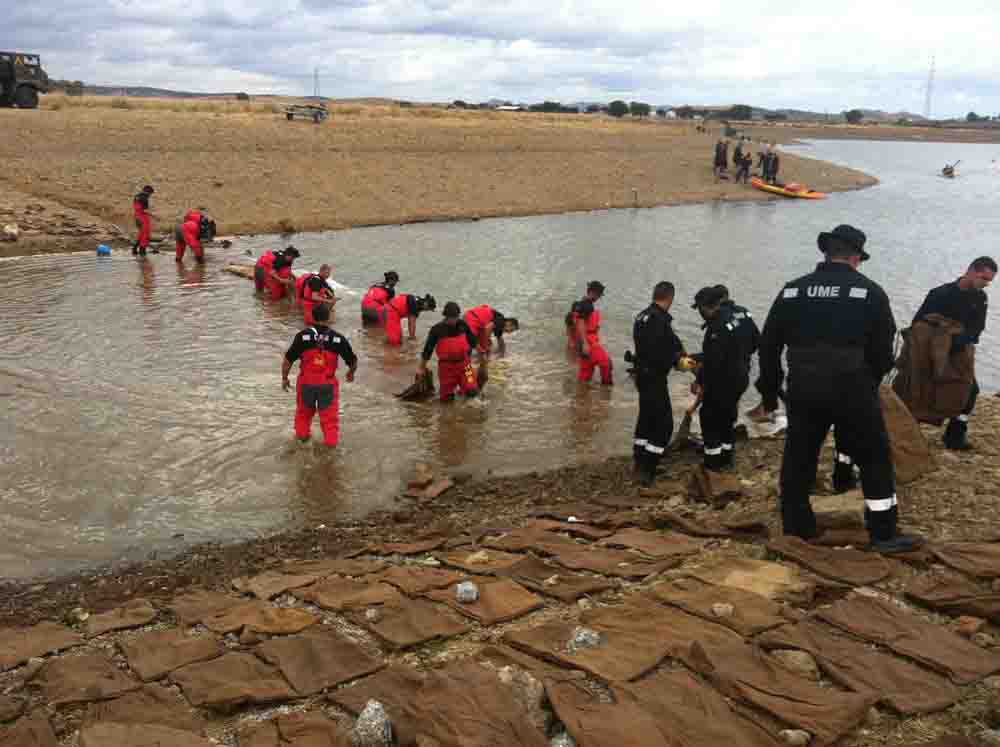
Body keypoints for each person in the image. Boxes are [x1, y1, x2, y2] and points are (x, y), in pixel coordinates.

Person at [756, 223, 923, 554]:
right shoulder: (869, 292)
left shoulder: (793, 290)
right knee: (874, 457)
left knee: (799, 456)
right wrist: (868, 381)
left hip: (803, 386)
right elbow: (884, 351)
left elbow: (769, 345)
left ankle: (797, 527)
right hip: (852, 387)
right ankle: (883, 533)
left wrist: (770, 391)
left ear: (826, 253)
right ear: (857, 257)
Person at [913, 256, 996, 450]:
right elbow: (918, 324)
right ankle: (908, 431)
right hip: (931, 351)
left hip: (959, 352)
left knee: (971, 390)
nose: (986, 284)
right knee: (920, 389)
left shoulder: (980, 298)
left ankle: (955, 434)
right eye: (984, 278)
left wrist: (956, 342)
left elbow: (977, 330)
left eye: (989, 281)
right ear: (971, 271)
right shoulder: (940, 294)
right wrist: (937, 345)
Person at [631, 281, 685, 486]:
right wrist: (677, 361)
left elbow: (659, 344)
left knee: (646, 418)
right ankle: (648, 468)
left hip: (642, 375)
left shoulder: (641, 316)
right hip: (654, 377)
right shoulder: (659, 320)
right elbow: (660, 350)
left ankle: (639, 460)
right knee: (663, 424)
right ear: (670, 297)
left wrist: (676, 353)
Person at [282, 303, 357, 446]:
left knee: (303, 415)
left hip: (306, 384)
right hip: (327, 385)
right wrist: (350, 373)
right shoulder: (338, 338)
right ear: (328, 318)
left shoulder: (302, 336)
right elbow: (353, 361)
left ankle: (302, 441)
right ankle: (330, 451)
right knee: (329, 421)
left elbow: (287, 360)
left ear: (312, 317)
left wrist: (284, 378)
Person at [692, 286, 750, 470]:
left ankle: (712, 464)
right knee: (726, 419)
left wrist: (699, 381)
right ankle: (727, 457)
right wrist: (697, 357)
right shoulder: (732, 318)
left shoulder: (716, 327)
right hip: (739, 376)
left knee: (709, 419)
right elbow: (723, 352)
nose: (699, 313)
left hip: (724, 382)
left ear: (704, 306)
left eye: (699, 309)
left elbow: (713, 363)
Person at [417, 301, 481, 402]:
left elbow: (473, 341)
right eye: (451, 318)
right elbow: (427, 350)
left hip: (465, 365)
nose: (454, 320)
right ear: (445, 316)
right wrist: (421, 368)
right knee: (446, 399)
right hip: (446, 368)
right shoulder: (436, 330)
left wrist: (482, 353)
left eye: (455, 317)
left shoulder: (463, 325)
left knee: (472, 391)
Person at [568, 281, 612, 385]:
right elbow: (581, 323)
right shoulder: (587, 305)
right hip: (588, 340)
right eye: (599, 295)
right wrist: (585, 344)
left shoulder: (581, 304)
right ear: (593, 292)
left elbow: (573, 324)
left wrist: (575, 342)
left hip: (582, 341)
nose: (599, 298)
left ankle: (581, 396)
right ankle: (607, 390)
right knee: (606, 363)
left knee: (585, 372)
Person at [131, 185, 155, 256]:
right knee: (145, 235)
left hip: (136, 217)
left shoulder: (136, 196)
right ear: (148, 192)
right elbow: (145, 210)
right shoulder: (145, 198)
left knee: (141, 234)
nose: (150, 196)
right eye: (150, 194)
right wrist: (154, 216)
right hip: (143, 218)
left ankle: (134, 249)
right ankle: (142, 251)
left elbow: (137, 208)